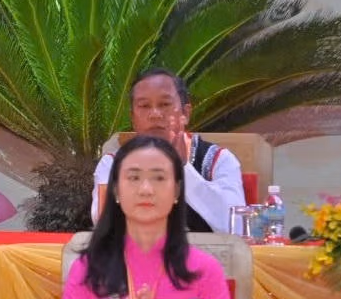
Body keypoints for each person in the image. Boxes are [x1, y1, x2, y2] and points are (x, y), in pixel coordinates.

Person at [59, 134, 238, 299]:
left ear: (176, 191)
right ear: (116, 190)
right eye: (133, 178)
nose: (146, 189)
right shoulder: (88, 268)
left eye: (159, 178)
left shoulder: (204, 269)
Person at [89, 69, 244, 233]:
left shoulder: (219, 160)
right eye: (144, 106)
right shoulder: (112, 164)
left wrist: (182, 169)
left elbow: (237, 226)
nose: (155, 114)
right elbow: (104, 224)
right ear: (133, 118)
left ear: (185, 113)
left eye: (164, 104)